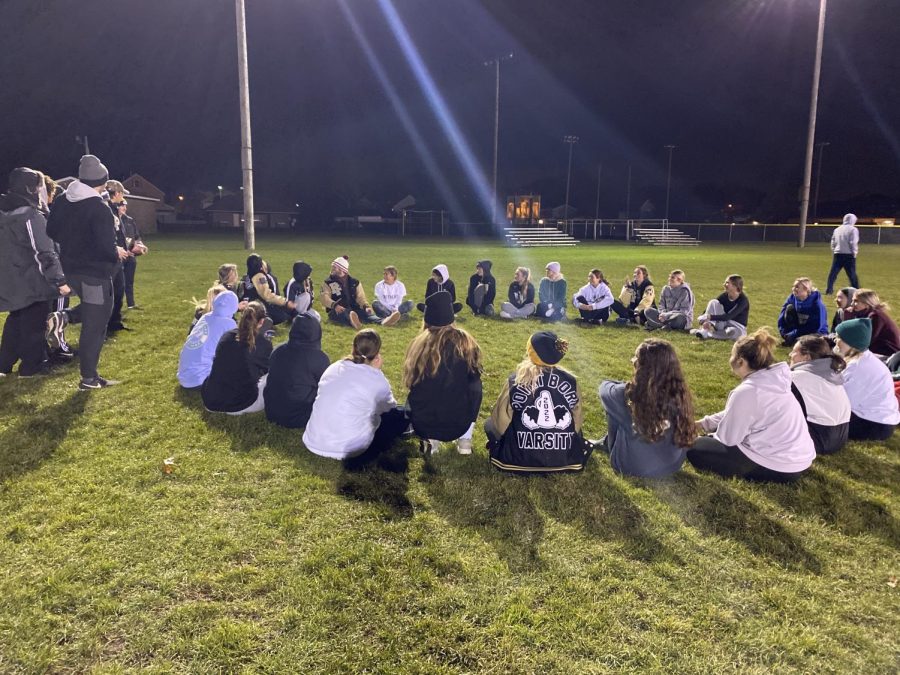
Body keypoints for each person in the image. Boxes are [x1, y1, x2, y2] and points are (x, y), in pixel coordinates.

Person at [687, 328, 815, 482]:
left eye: (732, 355)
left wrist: (704, 436)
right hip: (798, 461)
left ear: (740, 361)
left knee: (694, 447)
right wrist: (702, 424)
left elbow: (728, 439)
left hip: (778, 465)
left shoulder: (747, 391)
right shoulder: (775, 381)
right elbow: (737, 412)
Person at [46, 154, 128, 390]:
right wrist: (117, 252)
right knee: (96, 324)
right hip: (94, 273)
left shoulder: (63, 200)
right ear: (103, 180)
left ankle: (64, 317)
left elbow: (52, 231)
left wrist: (73, 244)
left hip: (70, 269)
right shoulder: (99, 207)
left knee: (98, 310)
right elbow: (105, 247)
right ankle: (89, 379)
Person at [486, 331, 591, 473]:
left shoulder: (516, 380)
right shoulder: (571, 381)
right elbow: (576, 423)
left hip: (515, 460)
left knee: (489, 423)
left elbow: (500, 423)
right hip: (564, 460)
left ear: (531, 352)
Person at [0, 168, 70, 377]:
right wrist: (59, 280)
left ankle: (3, 364)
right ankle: (31, 367)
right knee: (34, 323)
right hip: (31, 281)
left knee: (15, 321)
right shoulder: (30, 215)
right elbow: (44, 252)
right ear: (30, 188)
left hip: (10, 279)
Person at [303, 329, 408, 460]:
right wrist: (375, 372)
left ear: (353, 347)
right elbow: (389, 408)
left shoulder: (333, 367)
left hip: (312, 440)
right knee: (398, 414)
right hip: (352, 448)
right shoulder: (377, 380)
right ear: (377, 354)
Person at [599, 339, 696, 477]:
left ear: (642, 366)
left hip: (632, 467)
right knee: (620, 409)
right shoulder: (679, 393)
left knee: (614, 410)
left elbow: (604, 388)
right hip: (672, 464)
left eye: (636, 358)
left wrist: (626, 386)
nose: (632, 361)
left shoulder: (626, 394)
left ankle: (611, 446)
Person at [404, 290, 483, 454]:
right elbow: (474, 381)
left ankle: (431, 439)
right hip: (458, 423)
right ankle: (465, 440)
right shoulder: (465, 343)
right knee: (475, 384)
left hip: (424, 421)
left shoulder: (419, 345)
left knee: (419, 389)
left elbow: (411, 384)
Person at [201, 301, 273, 414]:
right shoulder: (263, 343)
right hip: (239, 404)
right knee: (273, 376)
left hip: (211, 399)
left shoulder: (227, 336)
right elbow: (267, 370)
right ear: (262, 322)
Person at [834, 318, 900, 441]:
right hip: (880, 421)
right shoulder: (863, 359)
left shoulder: (858, 367)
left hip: (873, 424)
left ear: (851, 342)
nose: (835, 340)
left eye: (839, 338)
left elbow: (842, 403)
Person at [264, 313, 330, 428]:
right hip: (298, 416)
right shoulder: (320, 358)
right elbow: (325, 387)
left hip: (271, 410)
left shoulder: (278, 350)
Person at [788, 335, 851, 455]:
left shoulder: (797, 377)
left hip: (818, 439)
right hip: (840, 438)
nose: (790, 355)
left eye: (794, 352)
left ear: (806, 357)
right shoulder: (833, 374)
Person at [177, 289, 239, 389]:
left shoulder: (205, 317)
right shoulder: (229, 324)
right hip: (200, 379)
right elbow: (235, 351)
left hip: (183, 375)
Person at [320, 255, 382, 328]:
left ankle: (383, 321)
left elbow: (361, 298)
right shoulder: (328, 282)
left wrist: (366, 307)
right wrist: (335, 305)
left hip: (354, 308)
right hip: (338, 309)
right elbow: (324, 298)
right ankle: (355, 322)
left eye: (334, 267)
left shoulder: (355, 282)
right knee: (343, 313)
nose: (332, 269)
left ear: (341, 269)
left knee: (365, 313)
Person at [105, 180, 132, 333]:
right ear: (116, 193)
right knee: (110, 293)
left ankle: (115, 321)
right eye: (121, 194)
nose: (122, 198)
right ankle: (106, 323)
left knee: (119, 290)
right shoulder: (105, 209)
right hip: (110, 259)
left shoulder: (114, 210)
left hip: (118, 259)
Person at [691, 274, 750, 341]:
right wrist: (703, 318)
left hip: (737, 326)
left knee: (734, 332)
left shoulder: (743, 300)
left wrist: (709, 317)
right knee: (713, 302)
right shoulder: (725, 295)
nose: (724, 284)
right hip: (724, 323)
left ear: (735, 285)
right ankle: (705, 329)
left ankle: (708, 333)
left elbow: (728, 316)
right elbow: (712, 307)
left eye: (727, 283)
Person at [239, 254, 294, 325]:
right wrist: (285, 302)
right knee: (284, 314)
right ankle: (263, 322)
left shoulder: (246, 276)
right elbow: (267, 296)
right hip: (257, 308)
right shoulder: (259, 277)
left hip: (246, 307)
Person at [847, 289, 900, 358]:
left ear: (866, 303)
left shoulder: (875, 316)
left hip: (888, 356)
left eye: (856, 301)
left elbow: (864, 341)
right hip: (880, 353)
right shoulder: (867, 315)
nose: (851, 304)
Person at [776, 277, 828, 346]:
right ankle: (793, 339)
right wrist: (784, 333)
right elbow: (782, 317)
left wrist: (794, 333)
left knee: (806, 342)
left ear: (806, 289)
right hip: (798, 331)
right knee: (789, 308)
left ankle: (797, 340)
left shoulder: (817, 304)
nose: (794, 289)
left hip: (816, 332)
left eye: (797, 287)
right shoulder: (792, 298)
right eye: (793, 286)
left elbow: (816, 326)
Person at [118, 200, 147, 309]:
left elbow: (136, 236)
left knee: (129, 281)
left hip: (130, 257)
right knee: (118, 284)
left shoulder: (129, 220)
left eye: (125, 206)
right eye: (122, 206)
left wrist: (140, 246)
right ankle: (116, 307)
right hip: (119, 256)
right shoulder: (112, 220)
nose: (125, 208)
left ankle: (131, 304)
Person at [825, 213, 860, 294]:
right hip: (848, 255)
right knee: (852, 274)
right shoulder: (853, 229)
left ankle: (829, 290)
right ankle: (857, 290)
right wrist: (854, 253)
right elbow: (853, 242)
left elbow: (833, 242)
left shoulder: (837, 229)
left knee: (833, 274)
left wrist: (834, 250)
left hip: (838, 254)